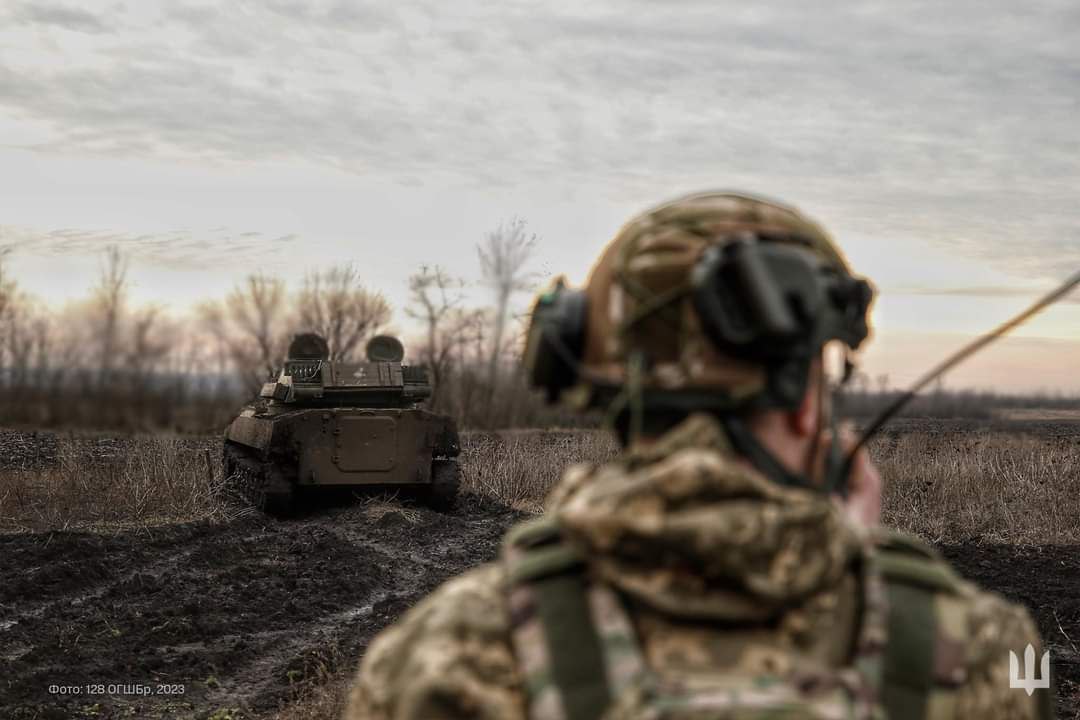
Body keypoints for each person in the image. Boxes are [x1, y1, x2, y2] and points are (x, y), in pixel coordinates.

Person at [345, 192, 1051, 719]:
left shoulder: (438, 663)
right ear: (809, 402)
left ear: (597, 388)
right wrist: (844, 561)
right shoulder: (986, 654)